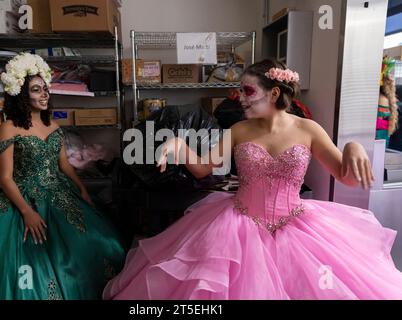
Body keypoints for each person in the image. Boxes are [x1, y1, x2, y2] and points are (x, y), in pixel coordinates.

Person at [103, 59, 402, 300]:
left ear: (273, 93)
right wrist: (181, 147)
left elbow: (346, 178)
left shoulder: (309, 129)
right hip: (238, 226)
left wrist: (353, 146)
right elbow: (204, 169)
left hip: (297, 227)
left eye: (247, 91)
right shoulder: (238, 130)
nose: (238, 98)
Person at [0, 53, 125, 300]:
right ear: (21, 94)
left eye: (45, 88)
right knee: (21, 259)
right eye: (36, 89)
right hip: (20, 198)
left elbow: (64, 164)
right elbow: (6, 178)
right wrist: (26, 212)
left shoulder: (52, 125)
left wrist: (82, 189)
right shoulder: (7, 128)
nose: (44, 94)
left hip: (59, 194)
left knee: (95, 244)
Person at [376, 56, 398, 147]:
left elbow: (378, 127)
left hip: (376, 143)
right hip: (382, 144)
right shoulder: (388, 99)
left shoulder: (380, 99)